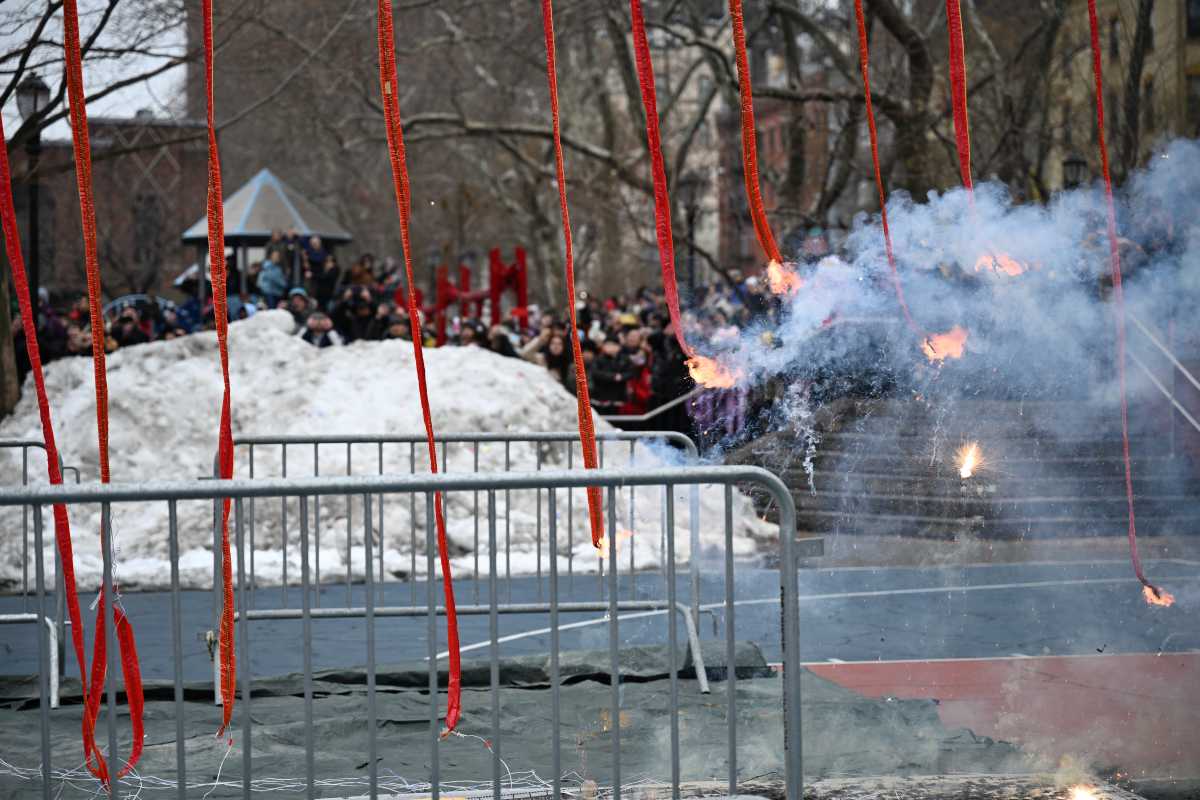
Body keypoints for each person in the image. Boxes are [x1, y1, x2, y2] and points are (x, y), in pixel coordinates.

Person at [589, 337, 632, 414]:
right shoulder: (598, 359)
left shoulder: (625, 359)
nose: (609, 347)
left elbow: (630, 373)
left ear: (618, 347)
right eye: (606, 345)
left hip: (618, 398)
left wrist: (621, 377)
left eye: (611, 345)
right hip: (600, 398)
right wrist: (613, 377)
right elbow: (595, 373)